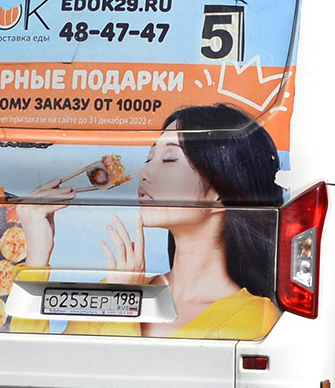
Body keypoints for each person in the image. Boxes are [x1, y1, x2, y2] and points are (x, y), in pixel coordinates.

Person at [14, 103, 282, 339]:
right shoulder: (113, 287)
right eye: (148, 158)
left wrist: (122, 303)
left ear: (219, 193)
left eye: (169, 159)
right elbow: (32, 369)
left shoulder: (253, 318)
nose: (144, 172)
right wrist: (37, 253)